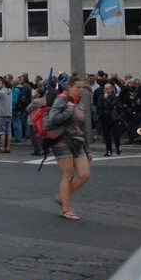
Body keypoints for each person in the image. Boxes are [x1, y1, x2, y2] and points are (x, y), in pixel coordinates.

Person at [47, 76, 92, 221]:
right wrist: (68, 110)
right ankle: (65, 209)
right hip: (62, 141)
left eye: (82, 88)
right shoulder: (62, 100)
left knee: (85, 175)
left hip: (77, 142)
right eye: (78, 87)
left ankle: (62, 196)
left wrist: (88, 149)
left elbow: (83, 129)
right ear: (69, 87)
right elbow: (53, 118)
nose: (80, 90)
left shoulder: (81, 104)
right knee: (69, 174)